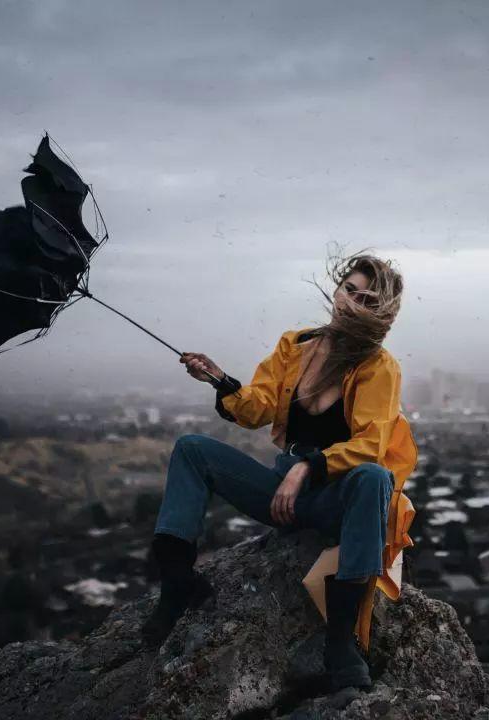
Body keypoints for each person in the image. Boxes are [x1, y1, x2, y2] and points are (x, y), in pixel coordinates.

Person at [144, 249, 418, 693]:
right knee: (192, 449)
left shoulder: (379, 366)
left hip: (336, 496)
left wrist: (307, 468)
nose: (350, 302)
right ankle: (177, 584)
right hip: (282, 492)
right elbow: (257, 409)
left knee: (375, 477)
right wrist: (220, 380)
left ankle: (340, 642)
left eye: (366, 300)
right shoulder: (296, 344)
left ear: (382, 311)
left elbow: (371, 444)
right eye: (349, 290)